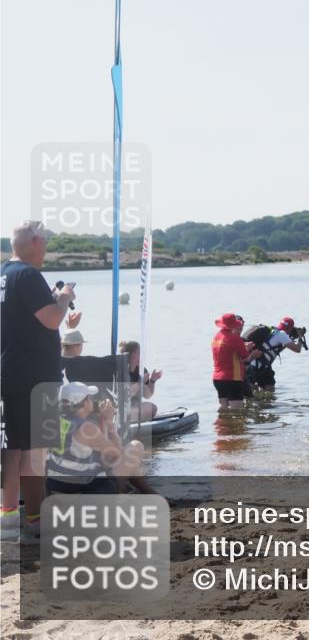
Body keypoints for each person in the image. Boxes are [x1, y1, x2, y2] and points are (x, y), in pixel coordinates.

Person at [1, 221, 74, 543]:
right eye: (45, 241)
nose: (46, 248)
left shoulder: (4, 273)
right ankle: (35, 520)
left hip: (11, 370)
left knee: (13, 447)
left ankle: (8, 517)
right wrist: (64, 297)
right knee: (35, 450)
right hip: (35, 375)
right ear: (34, 241)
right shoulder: (28, 275)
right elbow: (52, 319)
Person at [46, 382, 144, 494]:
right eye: (90, 398)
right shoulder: (86, 428)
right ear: (85, 402)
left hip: (57, 487)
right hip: (83, 489)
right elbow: (116, 453)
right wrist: (109, 422)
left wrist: (102, 420)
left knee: (126, 465)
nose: (93, 400)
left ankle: (146, 491)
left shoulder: (56, 422)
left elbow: (100, 454)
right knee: (136, 447)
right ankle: (119, 496)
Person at [62, 333, 161, 422]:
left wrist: (152, 381)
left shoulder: (142, 370)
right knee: (136, 411)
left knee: (152, 408)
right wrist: (139, 384)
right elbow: (123, 396)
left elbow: (148, 395)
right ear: (132, 354)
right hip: (119, 407)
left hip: (132, 407)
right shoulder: (119, 370)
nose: (142, 355)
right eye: (139, 352)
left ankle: (132, 421)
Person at [212, 313, 260, 410]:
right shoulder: (235, 338)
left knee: (224, 408)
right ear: (233, 325)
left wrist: (243, 346)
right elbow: (246, 358)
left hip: (217, 379)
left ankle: (222, 420)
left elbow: (227, 351)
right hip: (232, 378)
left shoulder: (216, 336)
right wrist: (251, 352)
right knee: (236, 411)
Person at [245, 317, 305, 391]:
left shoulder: (273, 331)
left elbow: (274, 350)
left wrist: (289, 341)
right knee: (270, 390)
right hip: (263, 367)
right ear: (290, 328)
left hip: (252, 365)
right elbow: (297, 349)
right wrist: (300, 337)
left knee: (253, 390)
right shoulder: (282, 334)